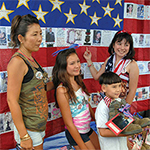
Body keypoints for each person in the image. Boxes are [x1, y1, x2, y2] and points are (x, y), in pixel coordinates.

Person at [7, 14, 54, 150]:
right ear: (21, 38)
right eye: (34, 34)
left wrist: (61, 79)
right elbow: (11, 101)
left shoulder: (31, 60)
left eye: (40, 33)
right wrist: (24, 136)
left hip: (38, 124)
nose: (40, 38)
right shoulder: (17, 62)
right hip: (28, 128)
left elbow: (41, 87)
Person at [52, 48, 100, 150]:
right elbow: (69, 124)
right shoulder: (62, 90)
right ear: (63, 66)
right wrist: (82, 146)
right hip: (76, 133)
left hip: (87, 129)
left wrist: (97, 120)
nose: (77, 65)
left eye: (78, 61)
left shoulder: (78, 81)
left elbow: (86, 105)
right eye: (72, 63)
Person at [83, 30, 139, 105]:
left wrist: (123, 109)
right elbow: (97, 77)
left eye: (126, 45)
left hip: (119, 105)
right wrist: (89, 60)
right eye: (119, 44)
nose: (122, 48)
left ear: (130, 47)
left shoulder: (132, 64)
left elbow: (132, 90)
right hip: (105, 102)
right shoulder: (109, 60)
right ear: (113, 45)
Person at [95, 72, 139, 150]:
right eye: (114, 87)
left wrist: (128, 143)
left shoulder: (120, 101)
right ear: (104, 88)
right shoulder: (102, 107)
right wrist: (125, 133)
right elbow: (103, 132)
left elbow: (124, 124)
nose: (118, 89)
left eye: (119, 86)